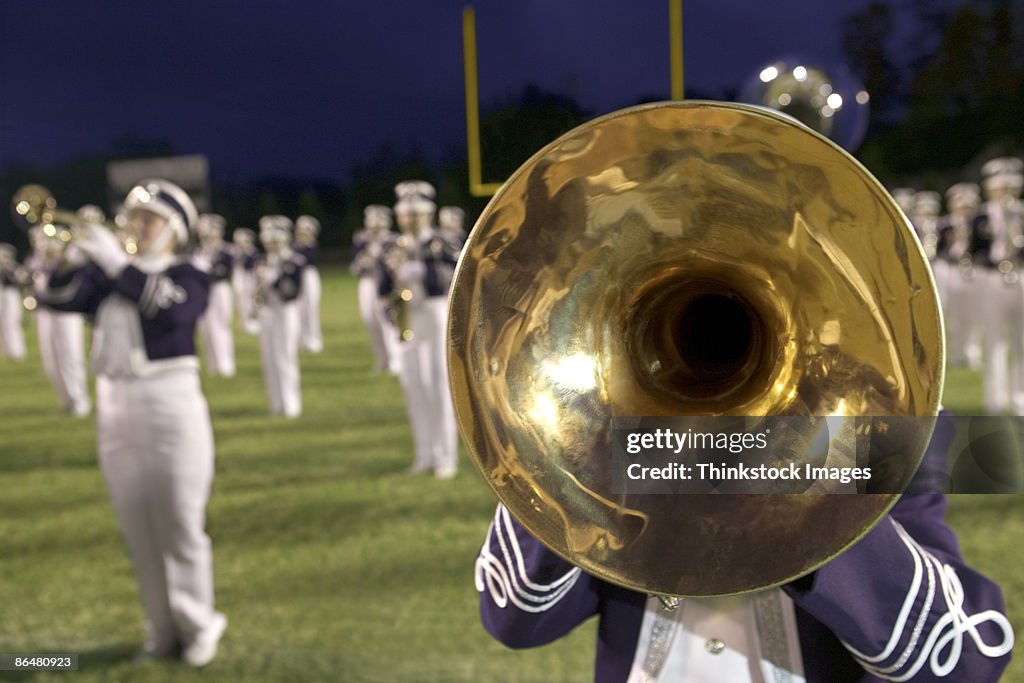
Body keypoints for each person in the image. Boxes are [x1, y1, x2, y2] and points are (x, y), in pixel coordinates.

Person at [475, 412, 1014, 682]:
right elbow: (516, 618)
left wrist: (810, 498)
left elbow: (964, 658)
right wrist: (566, 467)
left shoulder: (878, 429)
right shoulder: (617, 427)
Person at [39, 179, 227, 666]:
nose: (136, 226)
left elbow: (169, 309)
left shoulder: (191, 272)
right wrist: (61, 261)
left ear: (175, 230)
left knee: (181, 522)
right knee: (137, 526)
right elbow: (58, 299)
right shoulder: (107, 276)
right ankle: (160, 628)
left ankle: (199, 622)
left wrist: (116, 263)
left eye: (149, 219)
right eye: (132, 217)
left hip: (170, 405)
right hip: (115, 408)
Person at [384, 182, 461, 479]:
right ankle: (424, 453)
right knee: (413, 385)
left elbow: (453, 275)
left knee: (438, 384)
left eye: (416, 214)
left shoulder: (441, 243)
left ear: (428, 214)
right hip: (408, 318)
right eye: (406, 215)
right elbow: (383, 285)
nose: (411, 220)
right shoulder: (395, 246)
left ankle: (446, 456)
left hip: (434, 314)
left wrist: (423, 272)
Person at [972, 157, 1024, 414]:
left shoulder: (1021, 212)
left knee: (1021, 339)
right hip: (992, 277)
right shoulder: (980, 216)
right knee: (994, 338)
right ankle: (995, 397)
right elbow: (973, 249)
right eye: (999, 186)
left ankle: (1019, 396)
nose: (1004, 191)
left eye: (1009, 186)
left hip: (1021, 275)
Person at [255, 214, 304, 418]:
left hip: (285, 313)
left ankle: (291, 403)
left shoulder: (293, 261)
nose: (271, 245)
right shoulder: (264, 261)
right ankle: (276, 403)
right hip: (267, 313)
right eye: (268, 241)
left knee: (285, 358)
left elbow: (291, 292)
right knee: (269, 359)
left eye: (274, 240)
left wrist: (272, 281)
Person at [352, 204, 396, 373]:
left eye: (378, 221)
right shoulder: (363, 241)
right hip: (367, 283)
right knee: (370, 320)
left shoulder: (392, 240)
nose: (374, 226)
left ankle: (394, 360)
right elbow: (355, 267)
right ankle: (381, 359)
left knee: (387, 321)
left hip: (385, 285)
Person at [194, 213, 236, 377]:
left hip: (219, 290)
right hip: (204, 290)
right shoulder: (199, 250)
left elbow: (223, 272)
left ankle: (226, 365)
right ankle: (213, 364)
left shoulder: (226, 250)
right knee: (206, 327)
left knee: (221, 326)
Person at [293, 215, 324, 354]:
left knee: (310, 309)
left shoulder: (311, 246)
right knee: (298, 309)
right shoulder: (293, 245)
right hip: (297, 278)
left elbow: (309, 261)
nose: (301, 233)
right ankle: (300, 340)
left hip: (309, 277)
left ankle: (314, 340)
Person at [230, 227, 261, 335]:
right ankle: (244, 321)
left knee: (250, 300)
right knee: (240, 299)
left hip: (249, 277)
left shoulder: (252, 252)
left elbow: (253, 266)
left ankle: (252, 321)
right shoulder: (235, 251)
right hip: (239, 277)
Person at [0, 243, 27, 361]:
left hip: (11, 296)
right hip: (2, 295)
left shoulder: (13, 267)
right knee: (5, 324)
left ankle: (17, 351)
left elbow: (21, 280)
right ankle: (8, 350)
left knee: (12, 322)